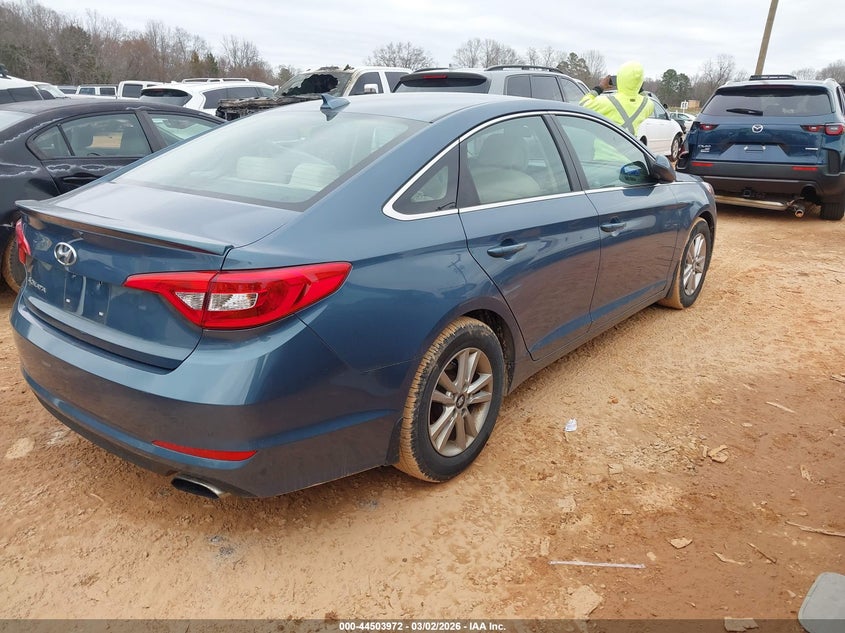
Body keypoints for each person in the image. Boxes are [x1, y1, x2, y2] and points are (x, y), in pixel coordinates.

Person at [579, 61, 654, 137]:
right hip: (629, 147)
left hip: (603, 148)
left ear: (620, 79)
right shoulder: (647, 104)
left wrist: (600, 87)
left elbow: (582, 105)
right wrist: (636, 85)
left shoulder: (607, 102)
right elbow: (647, 98)